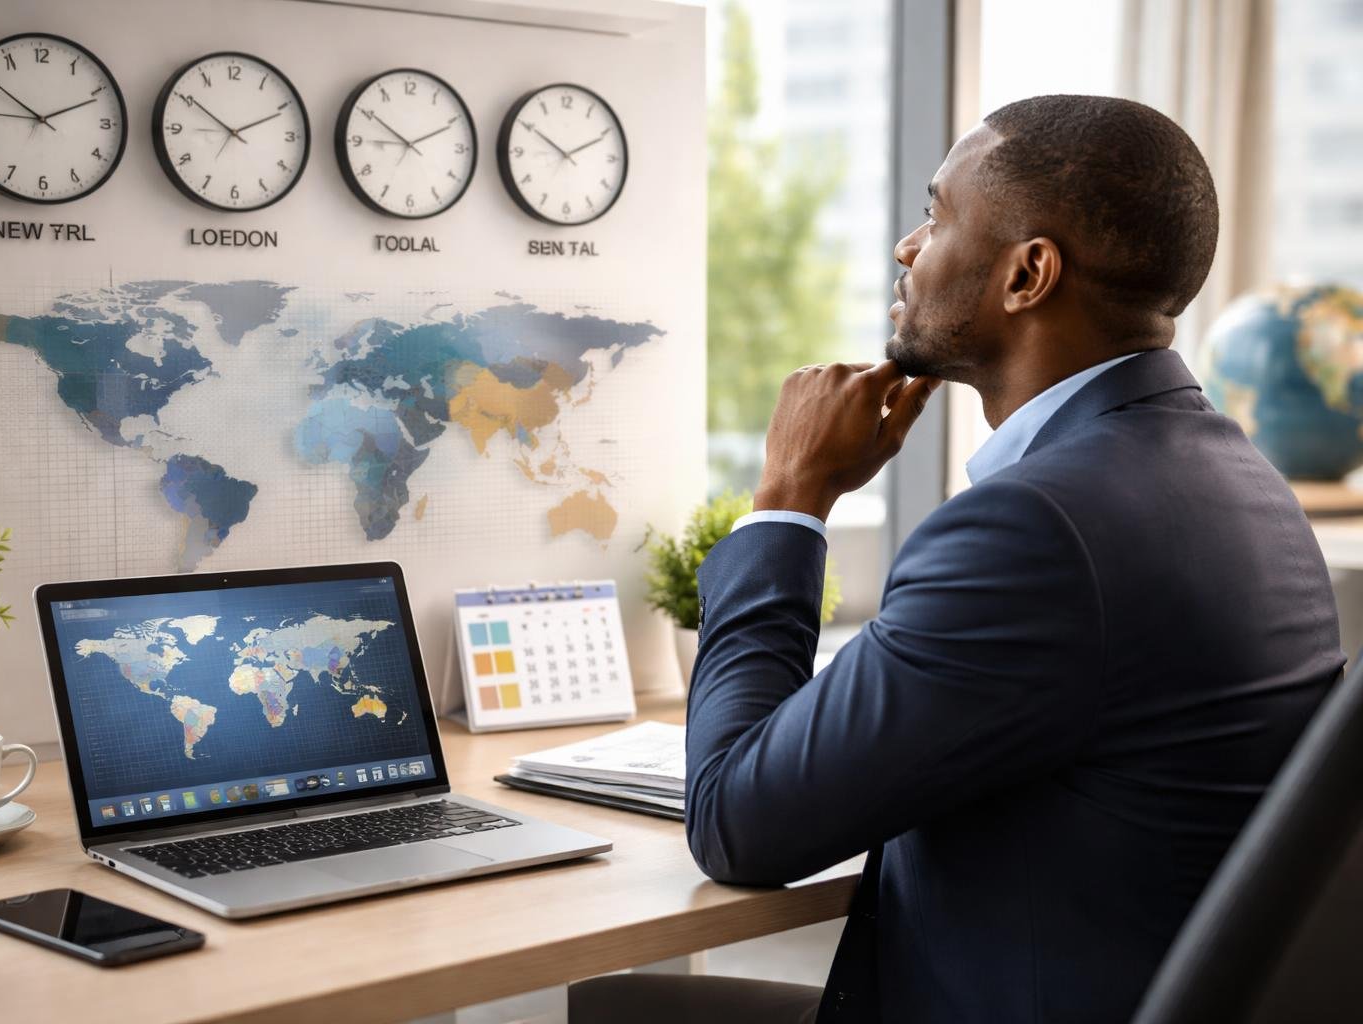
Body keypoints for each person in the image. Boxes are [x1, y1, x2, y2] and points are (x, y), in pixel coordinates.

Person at [570, 95, 1345, 1023]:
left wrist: (789, 501)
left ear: (1028, 275)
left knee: (620, 1011)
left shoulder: (1037, 528)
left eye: (936, 216)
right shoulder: (1242, 481)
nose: (908, 246)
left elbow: (738, 825)